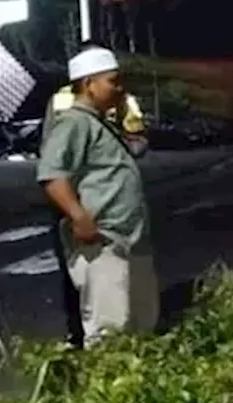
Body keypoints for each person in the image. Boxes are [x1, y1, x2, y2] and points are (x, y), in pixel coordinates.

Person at [37, 46, 158, 346]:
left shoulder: (100, 121)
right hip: (104, 242)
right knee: (110, 331)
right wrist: (78, 215)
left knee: (140, 326)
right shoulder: (74, 122)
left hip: (130, 240)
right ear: (89, 84)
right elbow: (52, 174)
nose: (120, 89)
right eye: (112, 81)